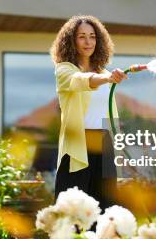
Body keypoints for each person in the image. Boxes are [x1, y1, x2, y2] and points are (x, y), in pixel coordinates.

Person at [50, 15, 127, 209]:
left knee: (106, 208)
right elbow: (80, 80)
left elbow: (109, 113)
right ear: (71, 40)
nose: (88, 42)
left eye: (92, 36)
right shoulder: (64, 70)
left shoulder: (104, 73)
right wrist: (107, 78)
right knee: (72, 210)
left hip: (105, 144)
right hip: (78, 145)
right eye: (81, 36)